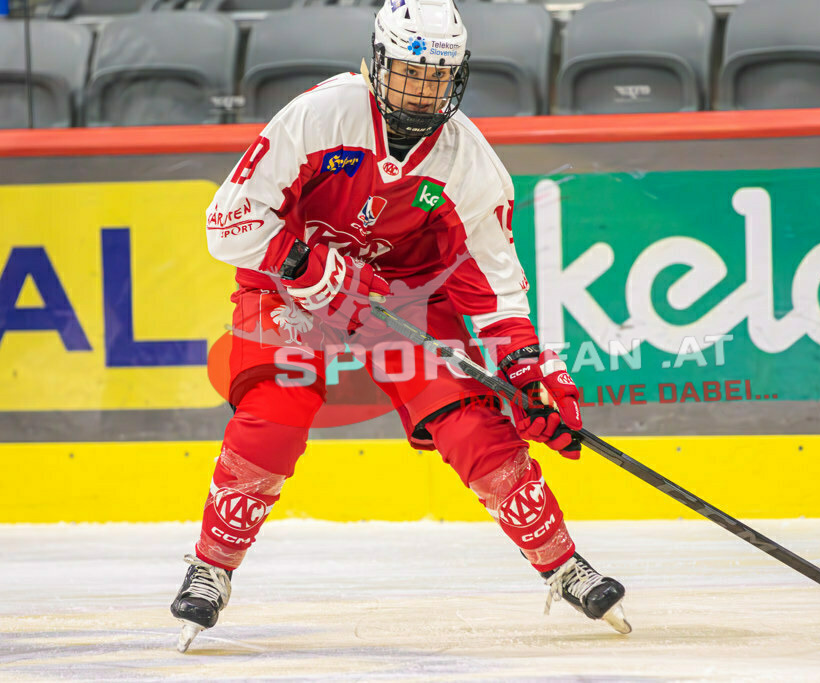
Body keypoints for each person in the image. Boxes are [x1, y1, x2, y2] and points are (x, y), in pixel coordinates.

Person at [171, 0, 628, 653]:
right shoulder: (320, 115)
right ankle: (211, 565)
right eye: (411, 74)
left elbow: (494, 279)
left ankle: (564, 565)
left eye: (439, 77)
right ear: (379, 63)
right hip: (291, 288)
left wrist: (528, 369)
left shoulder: (468, 159)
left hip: (399, 300)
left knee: (474, 421)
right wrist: (301, 261)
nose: (423, 92)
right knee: (276, 408)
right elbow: (228, 221)